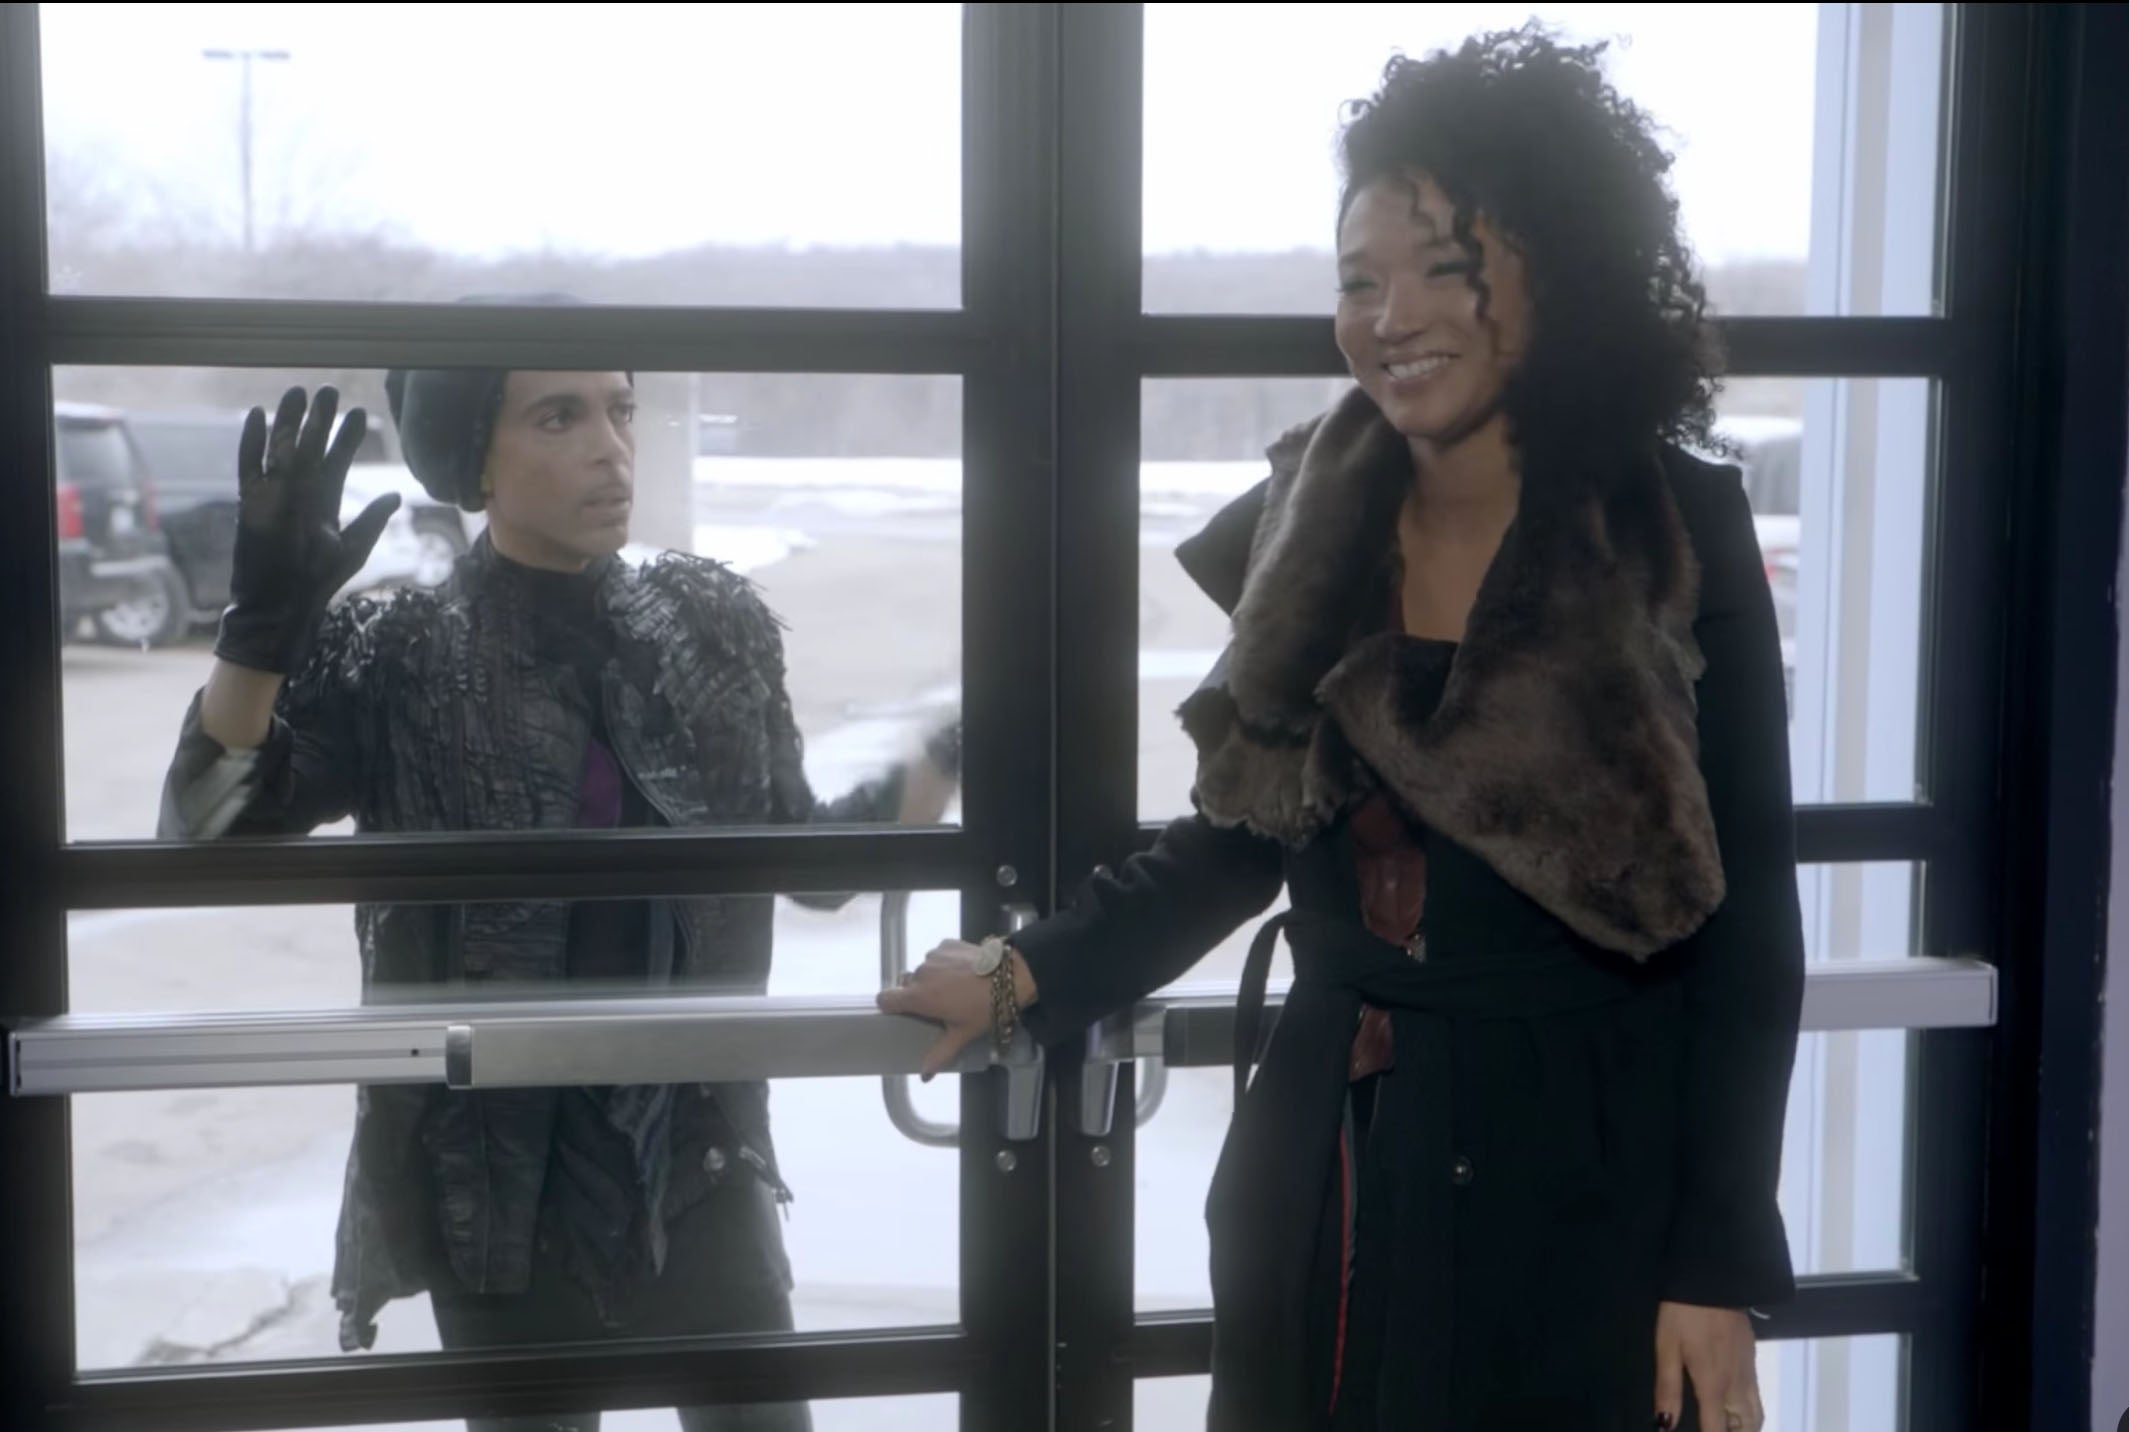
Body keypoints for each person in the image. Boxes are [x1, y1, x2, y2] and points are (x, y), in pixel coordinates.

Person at [880, 28, 1801, 1432]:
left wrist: (1716, 1265)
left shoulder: (1674, 528)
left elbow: (1749, 929)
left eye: (1446, 267)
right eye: (1358, 281)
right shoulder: (1306, 523)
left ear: (1558, 270)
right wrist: (1022, 974)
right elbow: (1235, 843)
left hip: (1585, 1190)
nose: (1392, 316)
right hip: (1325, 1168)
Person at [159, 351, 959, 1432]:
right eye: (558, 417)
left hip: (699, 1155)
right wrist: (259, 634)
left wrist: (954, 753)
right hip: (496, 1183)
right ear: (473, 461)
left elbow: (806, 858)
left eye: (620, 411)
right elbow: (206, 829)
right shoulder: (398, 652)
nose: (610, 449)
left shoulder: (706, 627)